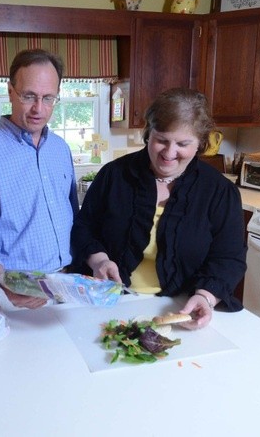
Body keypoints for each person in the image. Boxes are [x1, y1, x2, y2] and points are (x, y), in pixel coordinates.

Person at [71, 87, 246, 329]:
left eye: (182, 143)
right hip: (107, 304)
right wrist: (99, 261)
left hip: (181, 310)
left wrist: (205, 296)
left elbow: (229, 258)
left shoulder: (219, 192)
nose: (169, 153)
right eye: (161, 139)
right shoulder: (114, 176)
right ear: (148, 133)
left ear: (201, 144)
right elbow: (83, 227)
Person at [0, 49, 78, 308]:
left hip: (65, 282)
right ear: (10, 91)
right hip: (14, 291)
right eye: (29, 96)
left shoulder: (60, 149)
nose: (38, 109)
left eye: (48, 98)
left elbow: (72, 214)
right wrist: (4, 279)